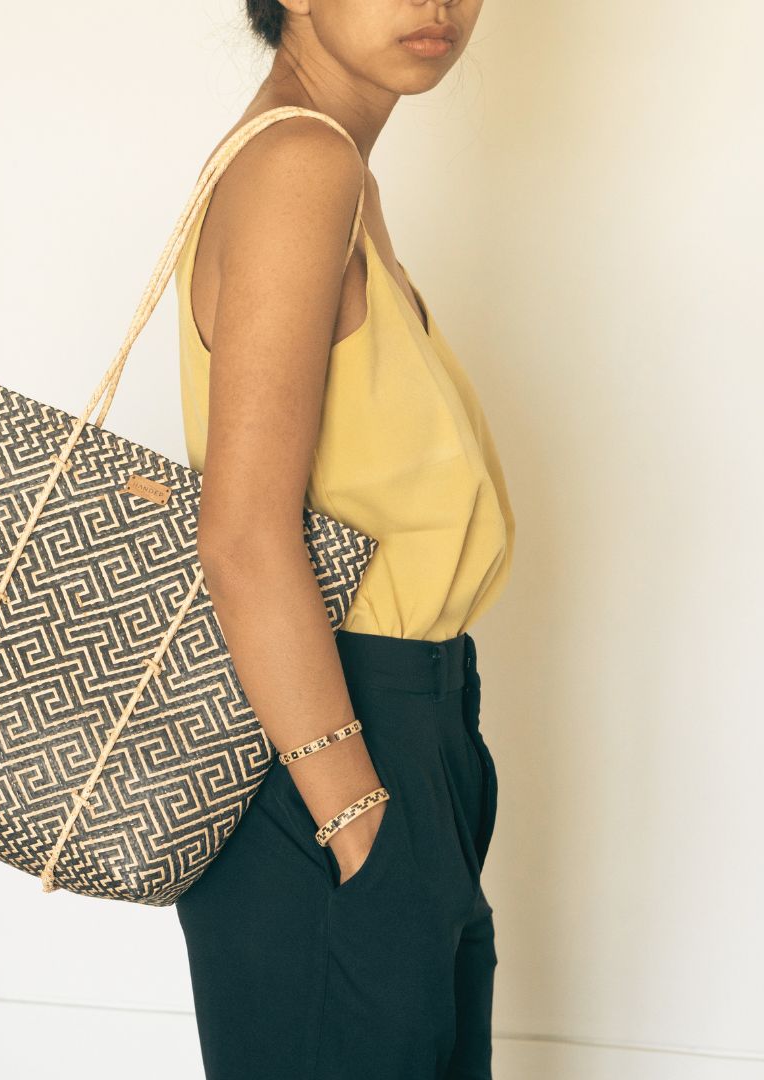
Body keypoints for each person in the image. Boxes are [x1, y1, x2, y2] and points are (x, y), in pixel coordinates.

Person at [172, 1, 514, 1077]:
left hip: (406, 738)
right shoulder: (297, 168)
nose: (436, 4)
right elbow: (240, 536)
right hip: (333, 750)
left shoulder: (335, 171)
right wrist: (362, 827)